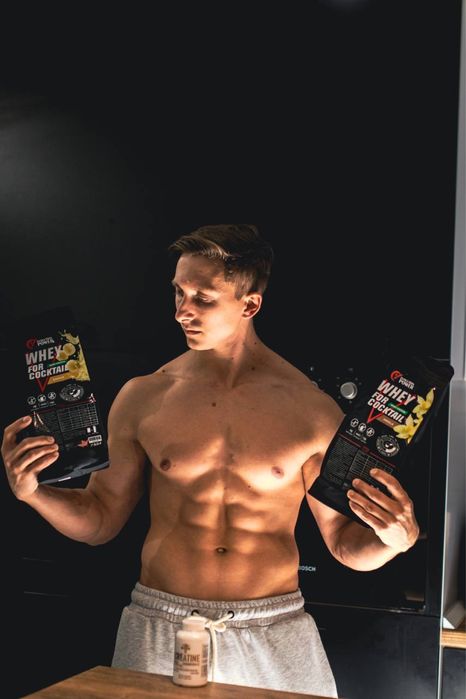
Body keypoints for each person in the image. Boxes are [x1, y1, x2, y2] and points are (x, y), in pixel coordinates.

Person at [1, 224, 419, 697]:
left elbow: (344, 543)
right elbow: (99, 519)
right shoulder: (142, 397)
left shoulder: (312, 411)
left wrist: (394, 540)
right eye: (179, 293)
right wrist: (34, 494)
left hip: (272, 629)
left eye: (202, 297)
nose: (182, 311)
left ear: (249, 305)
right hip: (162, 625)